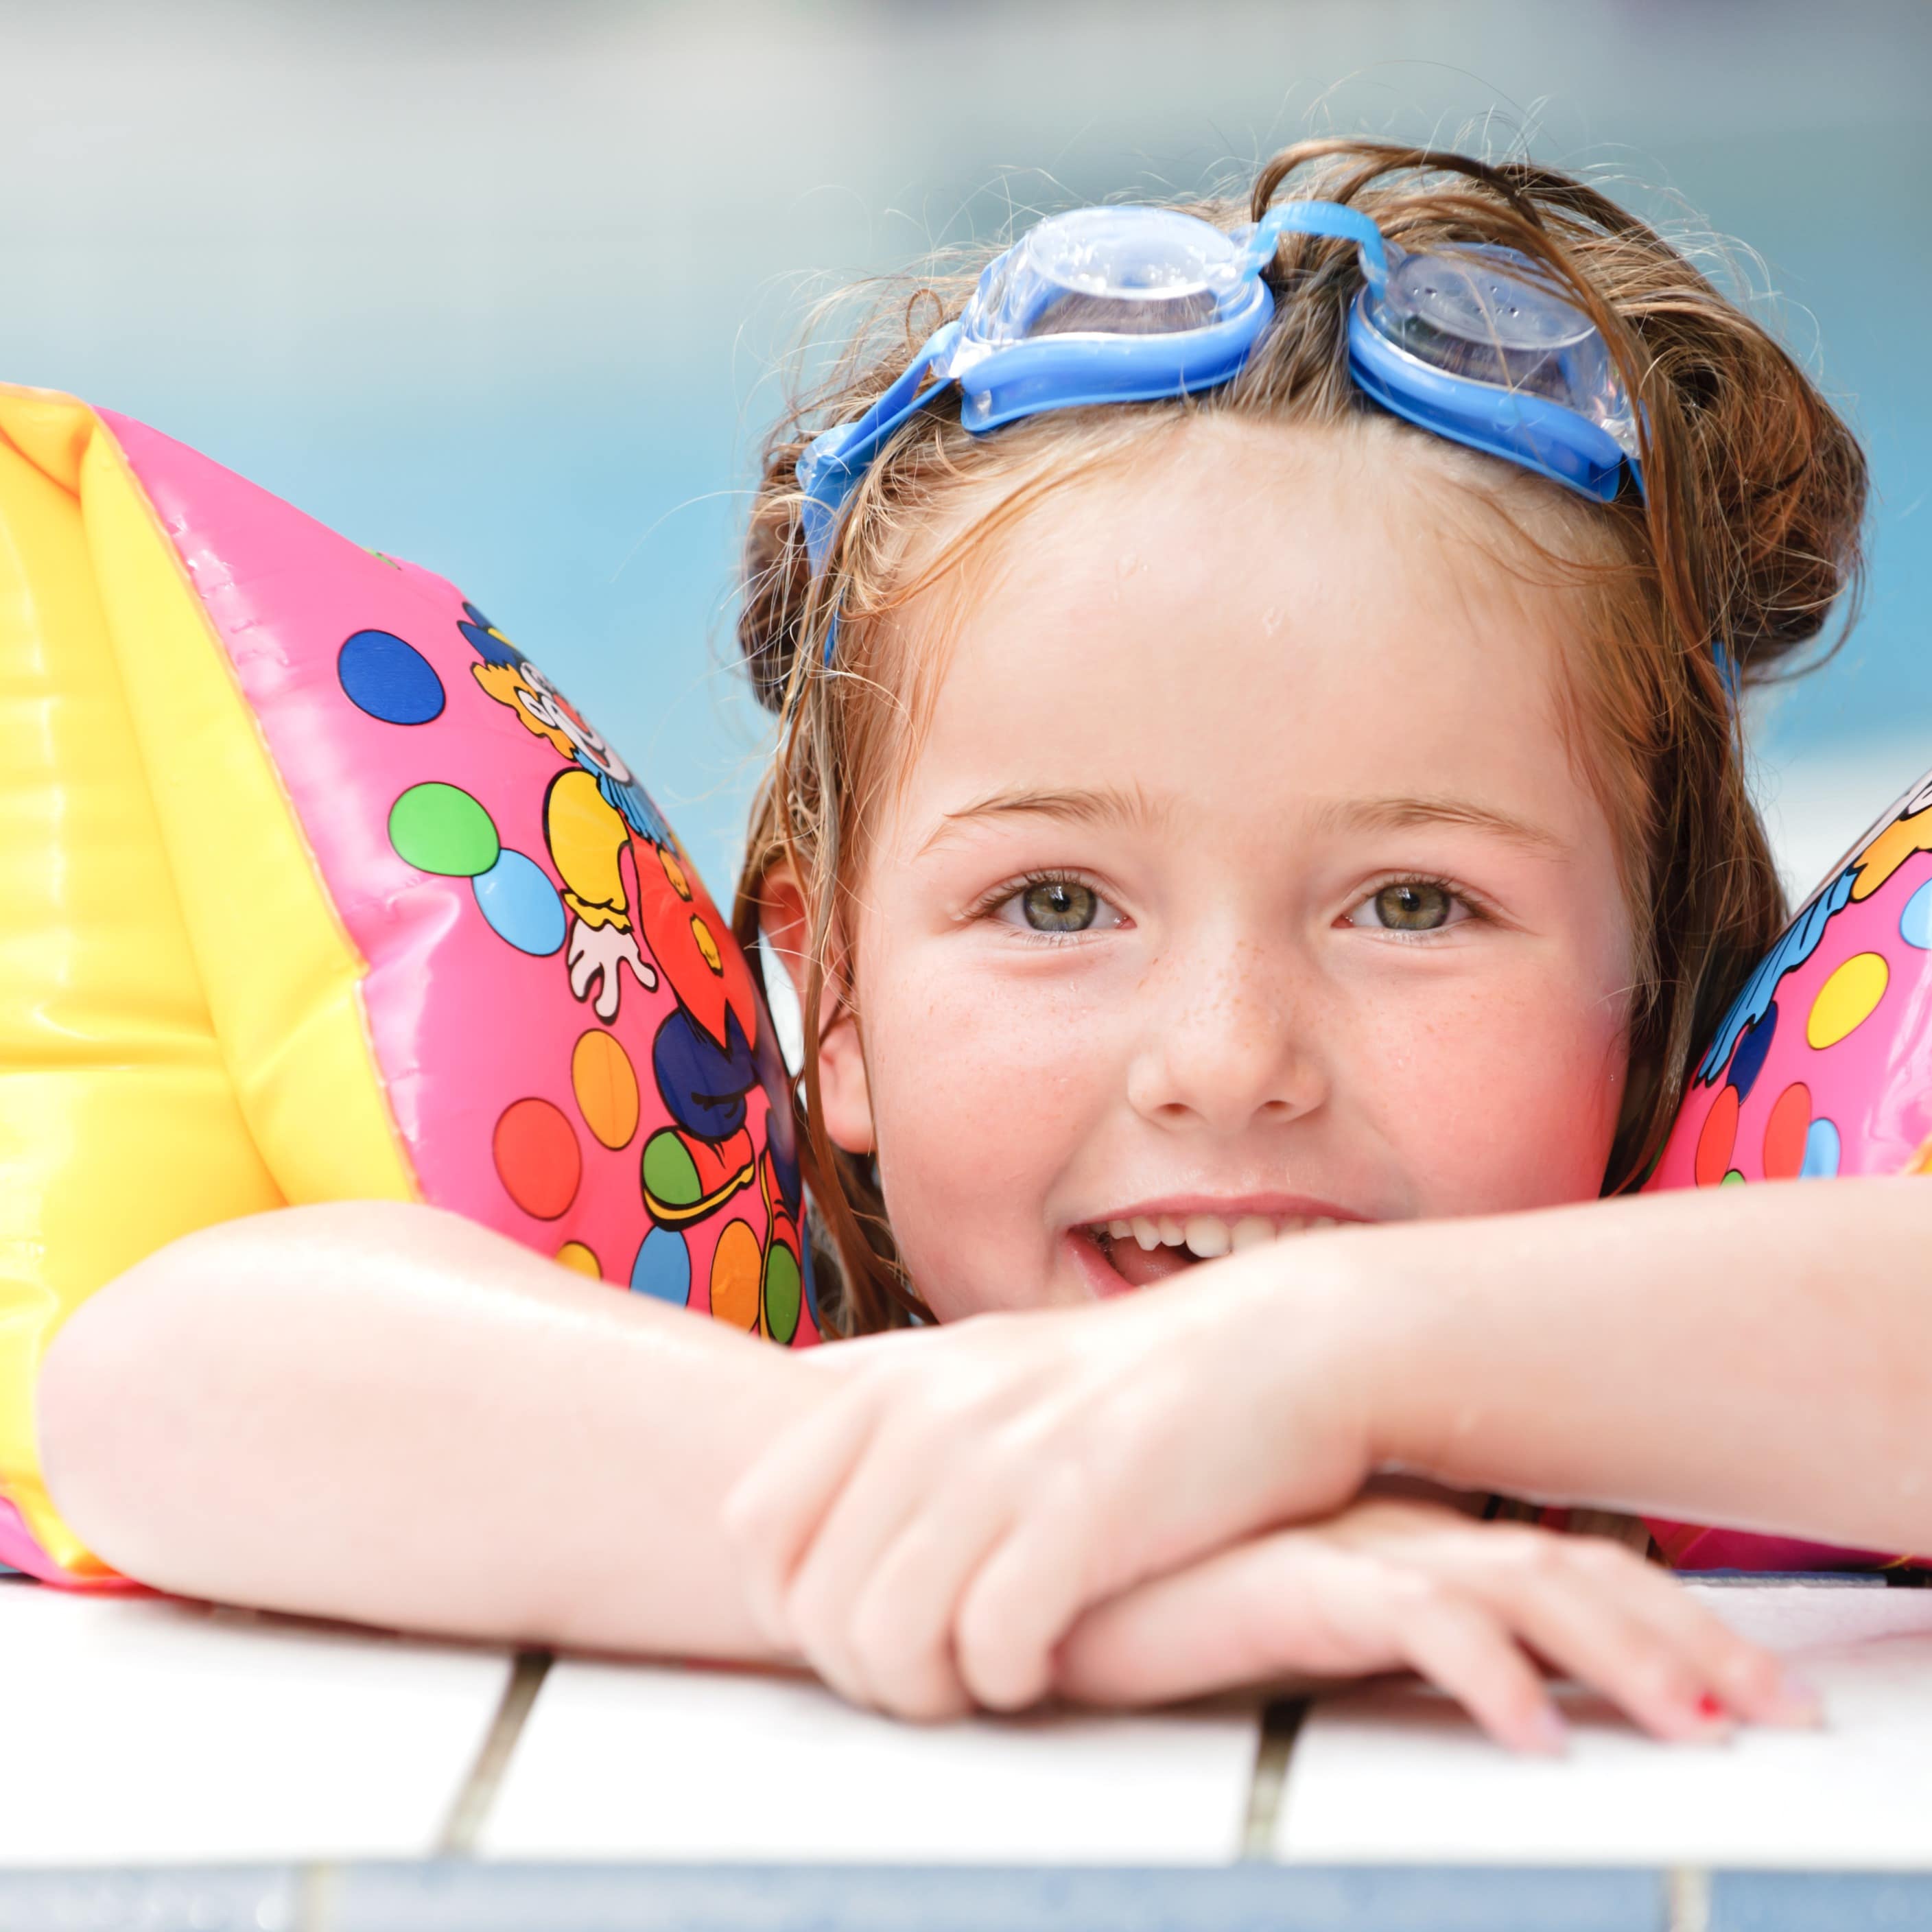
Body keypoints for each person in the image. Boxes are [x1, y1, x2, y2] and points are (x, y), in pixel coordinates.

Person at [34, 141, 1911, 1754]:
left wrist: (1325, 1359)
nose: (1225, 1056)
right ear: (832, 1003)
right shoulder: (809, 1378)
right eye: (1055, 903)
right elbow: (148, 1385)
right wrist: (1046, 1558)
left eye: (1413, 905)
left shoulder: (1735, 1411)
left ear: (1652, 986)